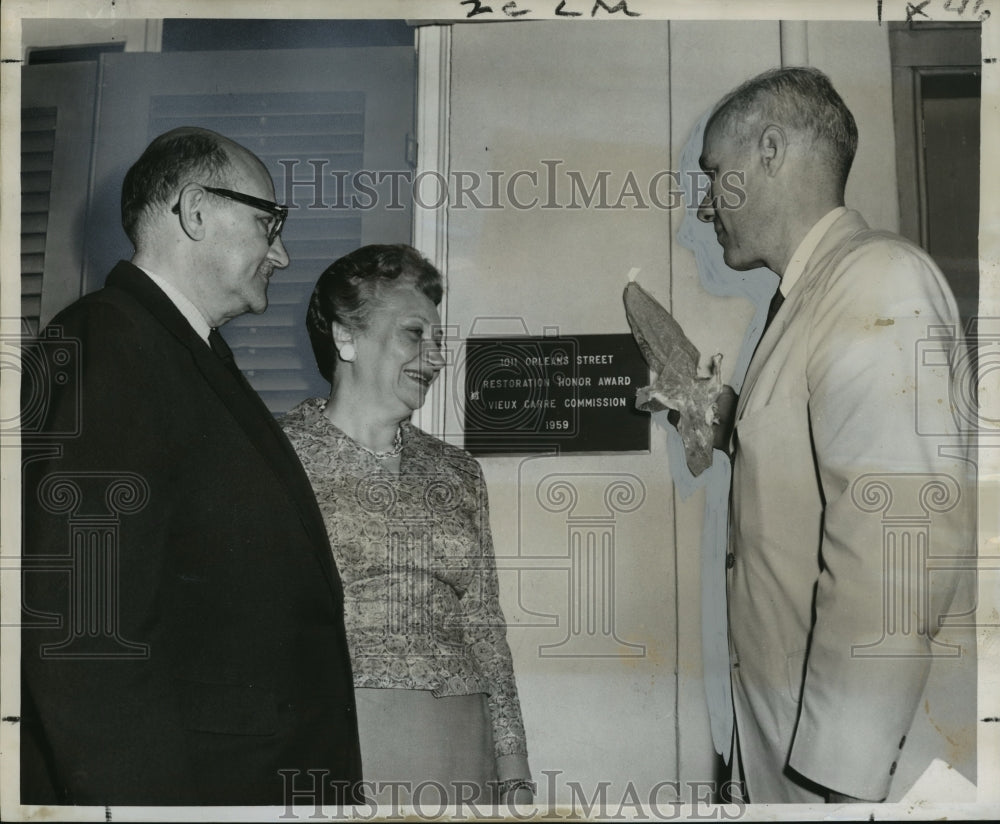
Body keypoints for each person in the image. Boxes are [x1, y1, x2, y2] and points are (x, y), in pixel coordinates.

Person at [20, 127, 363, 806]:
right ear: (197, 210)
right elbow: (88, 632)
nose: (283, 253)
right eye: (269, 223)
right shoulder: (110, 342)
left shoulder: (183, 353)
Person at [695, 67, 976, 803]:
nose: (704, 204)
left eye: (715, 174)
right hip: (790, 757)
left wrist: (844, 782)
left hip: (838, 776)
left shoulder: (878, 279)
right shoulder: (816, 296)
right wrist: (722, 421)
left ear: (769, 150)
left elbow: (897, 547)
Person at [280, 244, 532, 806]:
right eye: (415, 335)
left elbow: (486, 630)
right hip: (341, 736)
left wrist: (513, 771)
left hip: (463, 745)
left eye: (439, 342)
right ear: (346, 337)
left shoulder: (457, 471)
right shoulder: (277, 455)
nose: (436, 358)